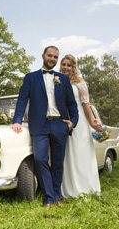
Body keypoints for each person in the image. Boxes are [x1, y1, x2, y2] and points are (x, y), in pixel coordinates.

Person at [11, 46, 79, 208]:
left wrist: (72, 122)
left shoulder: (63, 79)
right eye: (50, 56)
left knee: (57, 162)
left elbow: (72, 104)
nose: (52, 59)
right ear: (43, 56)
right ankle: (48, 197)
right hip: (39, 126)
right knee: (40, 159)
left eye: (55, 57)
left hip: (59, 124)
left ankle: (56, 195)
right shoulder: (30, 78)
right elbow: (22, 100)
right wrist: (17, 121)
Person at [59, 54, 102, 198]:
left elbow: (86, 105)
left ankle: (85, 188)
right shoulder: (57, 80)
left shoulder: (80, 82)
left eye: (69, 65)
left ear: (73, 67)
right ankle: (68, 189)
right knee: (67, 154)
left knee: (80, 153)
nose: (66, 67)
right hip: (64, 121)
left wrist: (92, 123)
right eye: (63, 64)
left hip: (80, 123)